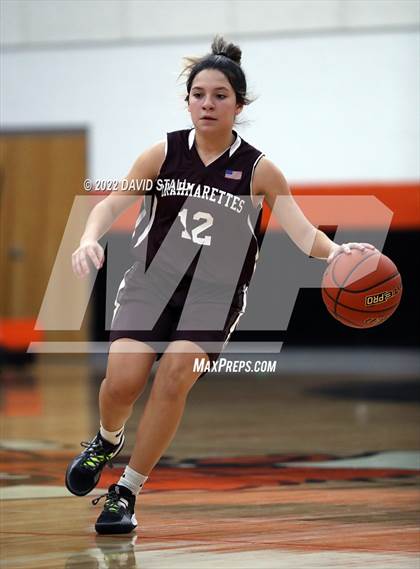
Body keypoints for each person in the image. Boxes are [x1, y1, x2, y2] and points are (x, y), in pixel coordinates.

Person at [65, 36, 376, 534]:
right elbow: (107, 204)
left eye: (219, 96)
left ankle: (126, 492)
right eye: (198, 95)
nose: (207, 104)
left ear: (239, 104)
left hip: (212, 298)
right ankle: (106, 438)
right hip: (149, 283)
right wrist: (87, 239)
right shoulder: (163, 153)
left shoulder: (258, 169)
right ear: (187, 100)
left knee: (173, 378)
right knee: (123, 382)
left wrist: (337, 253)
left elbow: (300, 231)